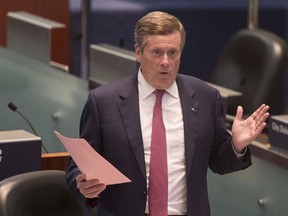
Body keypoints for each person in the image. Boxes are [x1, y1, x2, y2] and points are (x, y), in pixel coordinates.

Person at [66, 11, 269, 216]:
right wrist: (81, 182)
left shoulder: (205, 97)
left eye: (173, 53)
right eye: (156, 53)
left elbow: (219, 161)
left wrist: (236, 145)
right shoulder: (103, 102)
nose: (165, 62)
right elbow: (78, 163)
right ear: (138, 52)